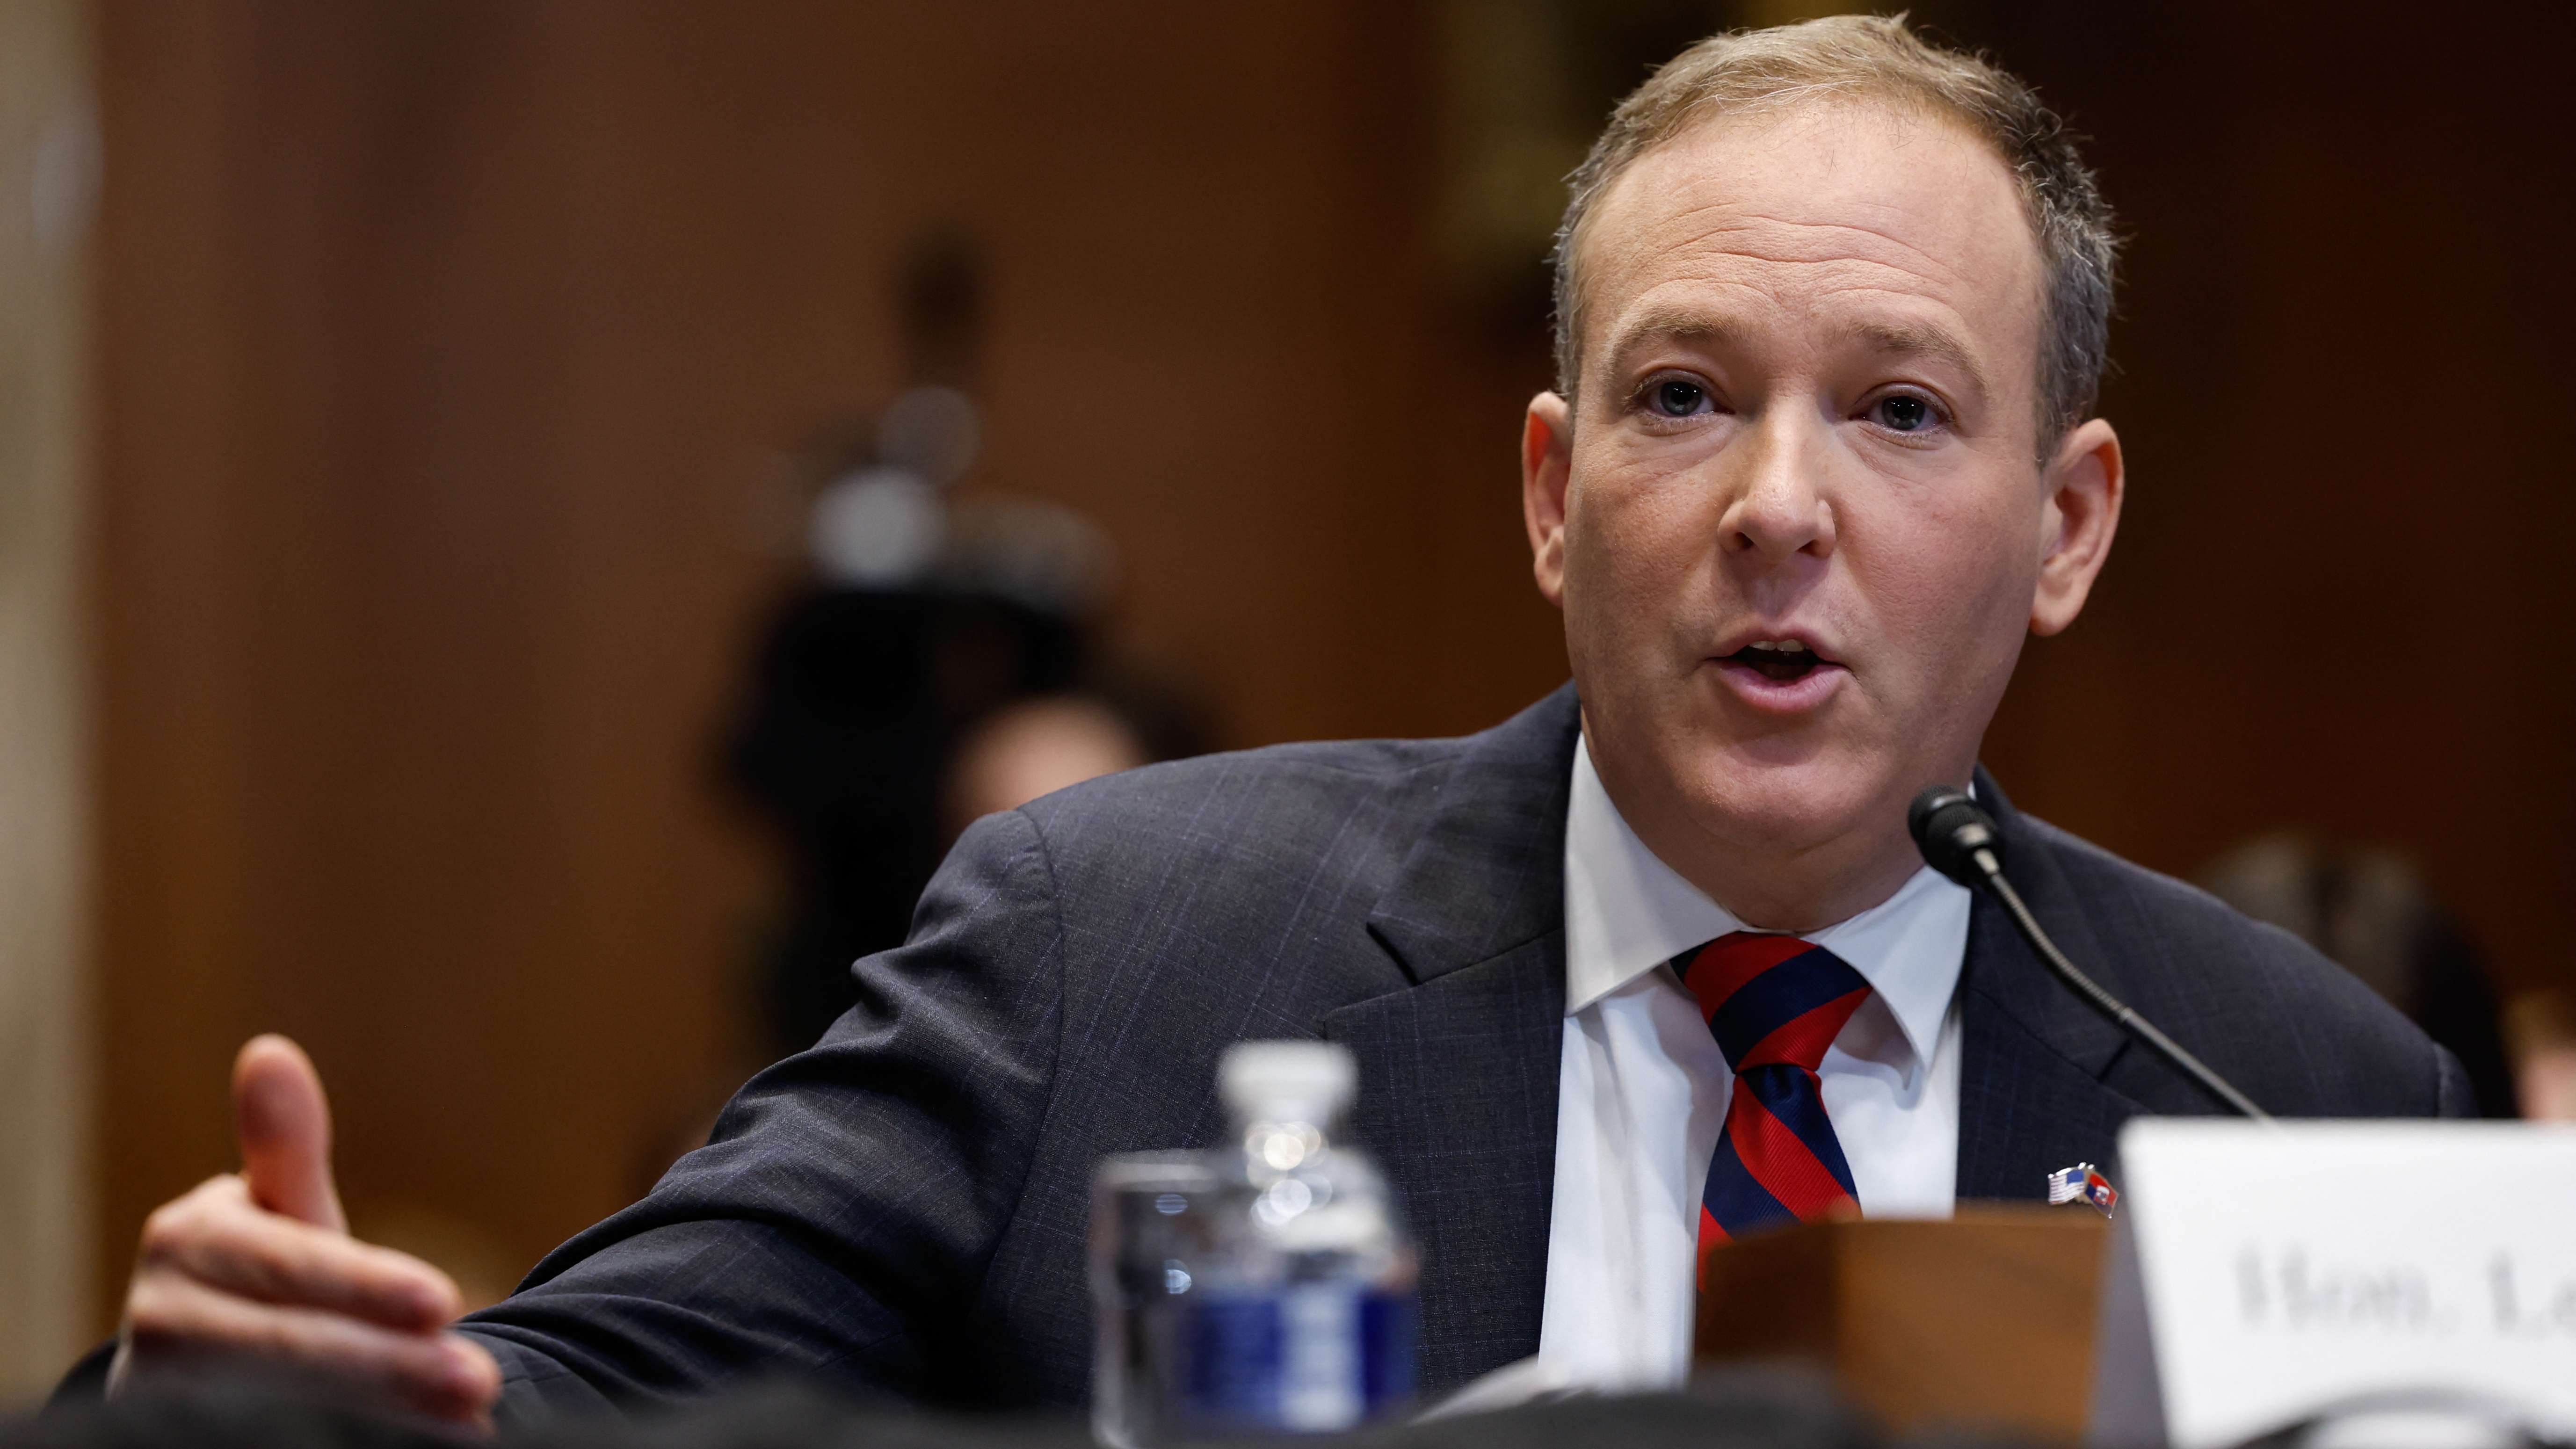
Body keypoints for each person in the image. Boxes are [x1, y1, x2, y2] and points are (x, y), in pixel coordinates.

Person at [86, 15, 2466, 1431]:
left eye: (1901, 411)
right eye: (1682, 396)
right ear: (1551, 495)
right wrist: (279, 1393)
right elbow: (576, 1394)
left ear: (2066, 527)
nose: (1776, 507)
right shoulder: (1116, 952)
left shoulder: (2299, 1090)